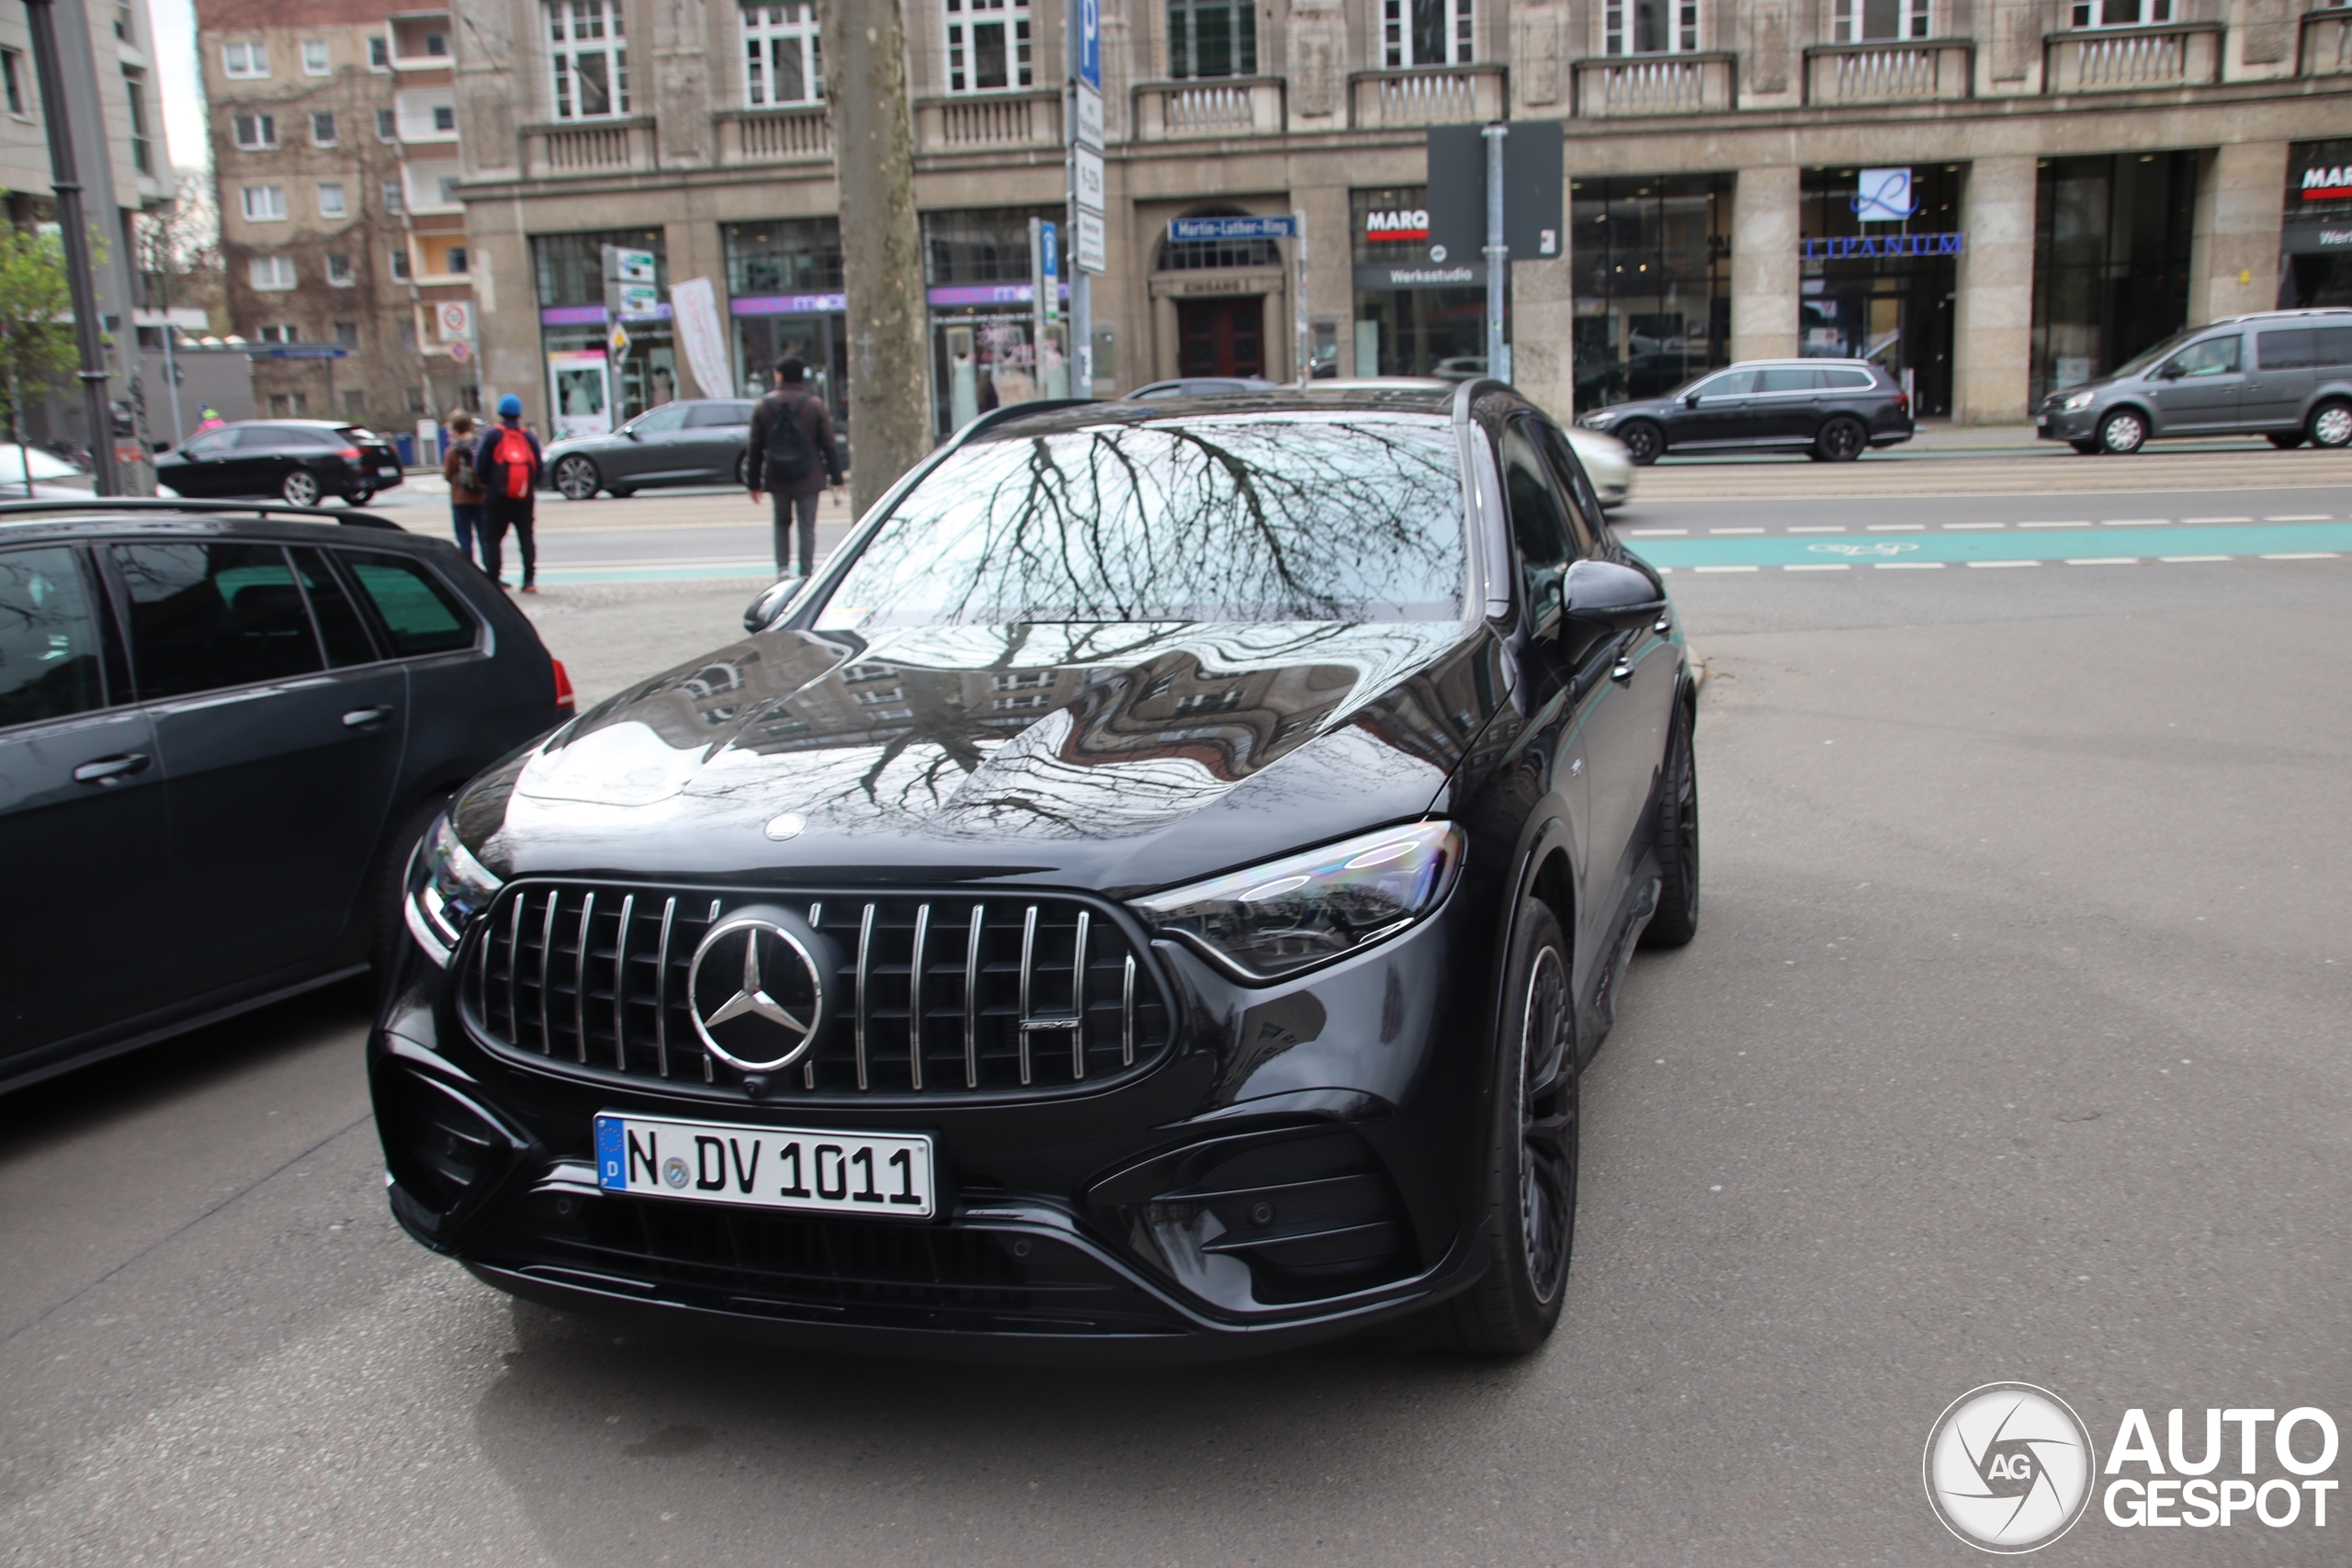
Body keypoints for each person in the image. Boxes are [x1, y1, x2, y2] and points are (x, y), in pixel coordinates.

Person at [746, 355, 844, 579]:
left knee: (781, 522)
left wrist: (753, 483)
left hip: (777, 477)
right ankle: (806, 573)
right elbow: (828, 444)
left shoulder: (763, 406)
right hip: (809, 476)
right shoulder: (814, 405)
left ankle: (782, 570)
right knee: (807, 527)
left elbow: (754, 447)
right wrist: (837, 479)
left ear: (779, 376)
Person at [472, 393, 542, 592]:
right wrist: (529, 487)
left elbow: (480, 465)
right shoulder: (528, 436)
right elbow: (538, 466)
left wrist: (489, 483)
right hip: (524, 496)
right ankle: (529, 580)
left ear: (500, 411)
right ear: (519, 413)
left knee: (492, 537)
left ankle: (494, 579)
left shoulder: (492, 435)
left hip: (497, 496)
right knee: (526, 537)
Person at [442, 410, 486, 567]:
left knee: (464, 538)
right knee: (484, 536)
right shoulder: (479, 446)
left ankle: (469, 571)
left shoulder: (452, 450)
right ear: (471, 426)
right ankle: (492, 574)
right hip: (480, 497)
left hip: (460, 499)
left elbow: (447, 475)